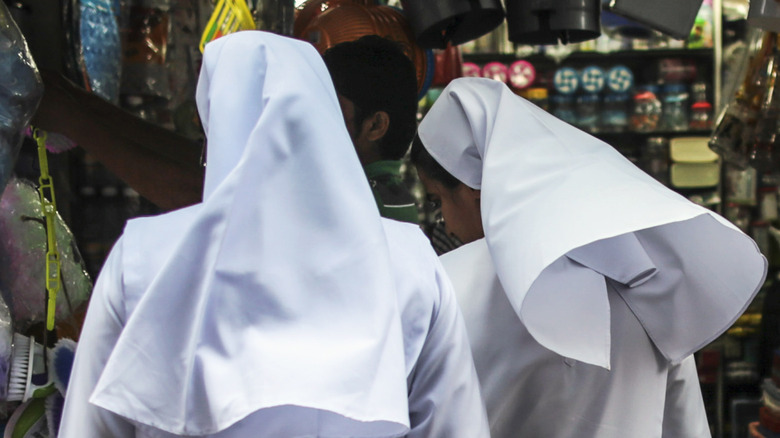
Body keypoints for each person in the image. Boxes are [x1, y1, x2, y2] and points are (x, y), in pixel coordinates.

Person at [58, 31, 488, 437]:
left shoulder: (144, 257)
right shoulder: (409, 261)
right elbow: (454, 424)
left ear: (216, 127)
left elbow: (90, 426)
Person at [411, 77, 768, 438]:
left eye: (438, 200)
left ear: (473, 189)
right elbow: (684, 423)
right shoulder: (639, 277)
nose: (449, 224)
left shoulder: (446, 284)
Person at [322, 36, 420, 223]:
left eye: (332, 105)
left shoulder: (353, 205)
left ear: (376, 126)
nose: (320, 115)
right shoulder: (390, 197)